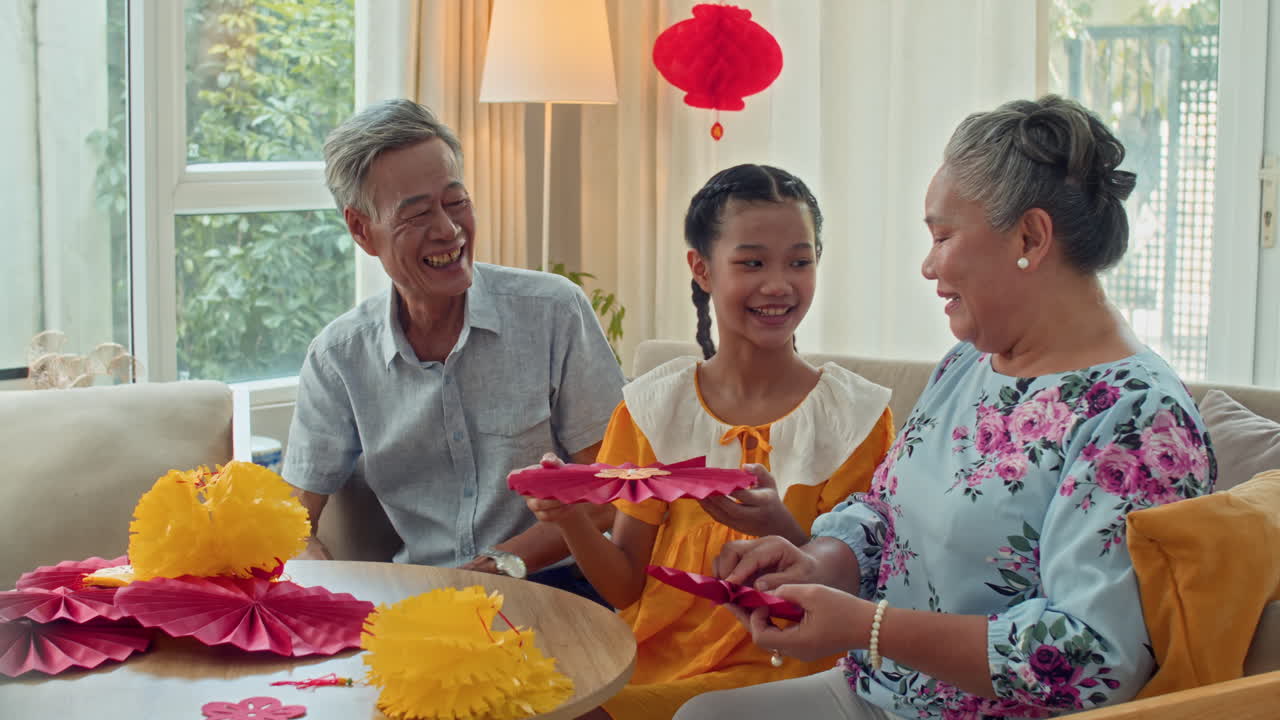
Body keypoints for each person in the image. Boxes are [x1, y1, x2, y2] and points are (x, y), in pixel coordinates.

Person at [674, 96, 1217, 720]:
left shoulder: (1137, 418)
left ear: (1030, 237)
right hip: (879, 693)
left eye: (942, 236)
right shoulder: (972, 361)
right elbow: (885, 512)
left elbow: (1092, 661)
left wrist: (869, 628)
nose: (929, 265)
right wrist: (817, 562)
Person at [525, 164, 896, 720]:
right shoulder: (654, 407)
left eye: (800, 261)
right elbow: (626, 587)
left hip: (788, 671)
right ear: (701, 268)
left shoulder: (855, 418)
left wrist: (778, 528)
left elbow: (862, 587)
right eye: (752, 262)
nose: (779, 284)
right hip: (648, 661)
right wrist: (572, 516)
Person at [282, 99, 624, 594]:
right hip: (418, 600)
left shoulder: (553, 312)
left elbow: (613, 487)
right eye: (417, 213)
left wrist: (494, 569)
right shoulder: (339, 357)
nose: (448, 229)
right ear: (361, 230)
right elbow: (289, 523)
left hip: (559, 586)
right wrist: (329, 591)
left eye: (456, 201)